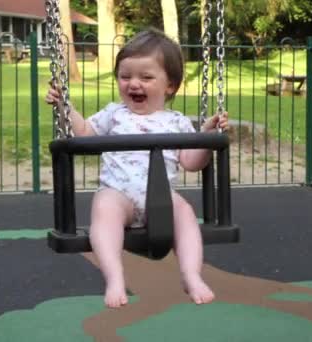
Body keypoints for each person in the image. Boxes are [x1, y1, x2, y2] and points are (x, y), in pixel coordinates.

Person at [45, 28, 229, 308]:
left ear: (170, 85)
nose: (134, 84)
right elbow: (83, 133)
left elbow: (192, 162)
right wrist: (64, 108)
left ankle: (191, 275)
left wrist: (206, 136)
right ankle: (115, 277)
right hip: (120, 195)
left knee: (186, 213)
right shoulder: (114, 113)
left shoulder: (176, 122)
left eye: (146, 77)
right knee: (104, 208)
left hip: (161, 200)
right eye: (125, 76)